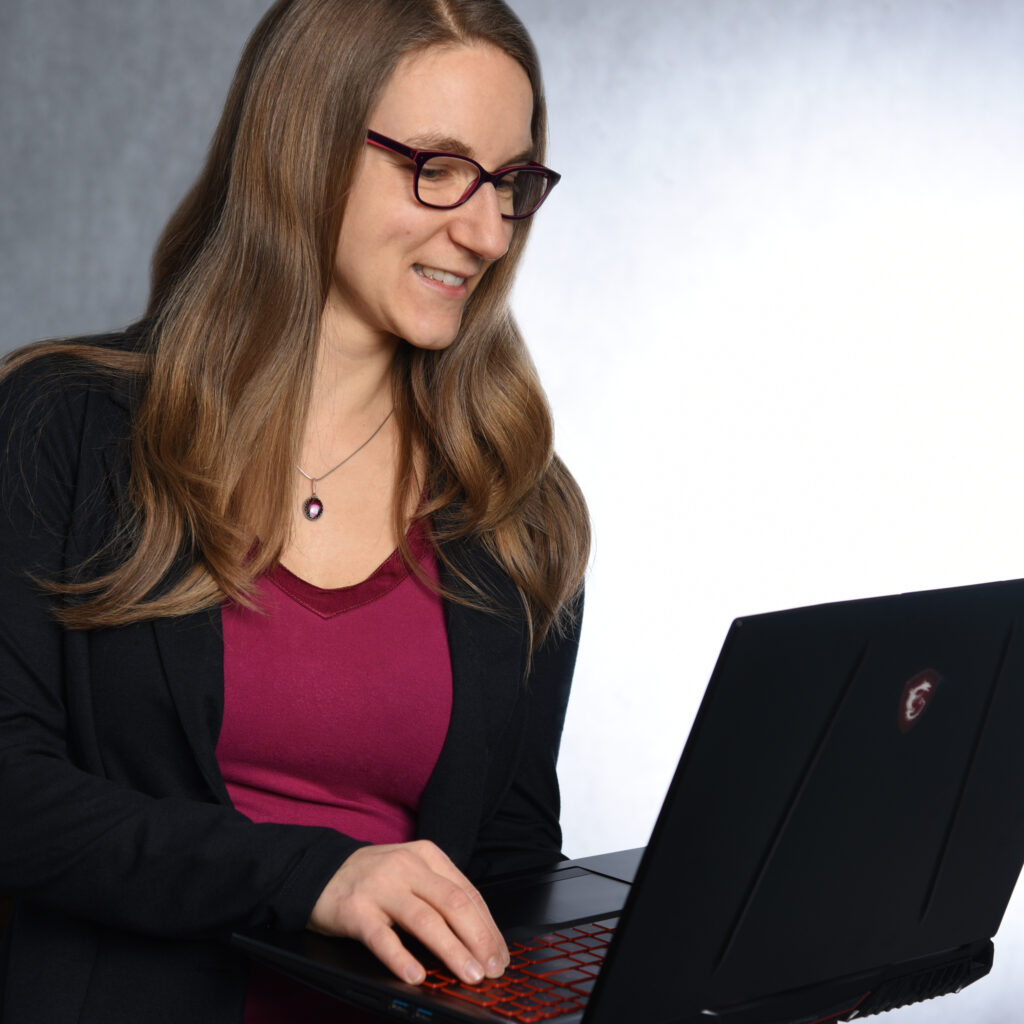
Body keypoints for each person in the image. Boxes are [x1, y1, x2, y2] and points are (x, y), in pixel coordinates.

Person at [0, 0, 589, 1021]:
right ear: (302, 149)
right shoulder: (65, 425)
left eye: (511, 182)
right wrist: (309, 873)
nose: (488, 229)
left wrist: (678, 970)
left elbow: (508, 866)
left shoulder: (519, 511)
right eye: (438, 168)